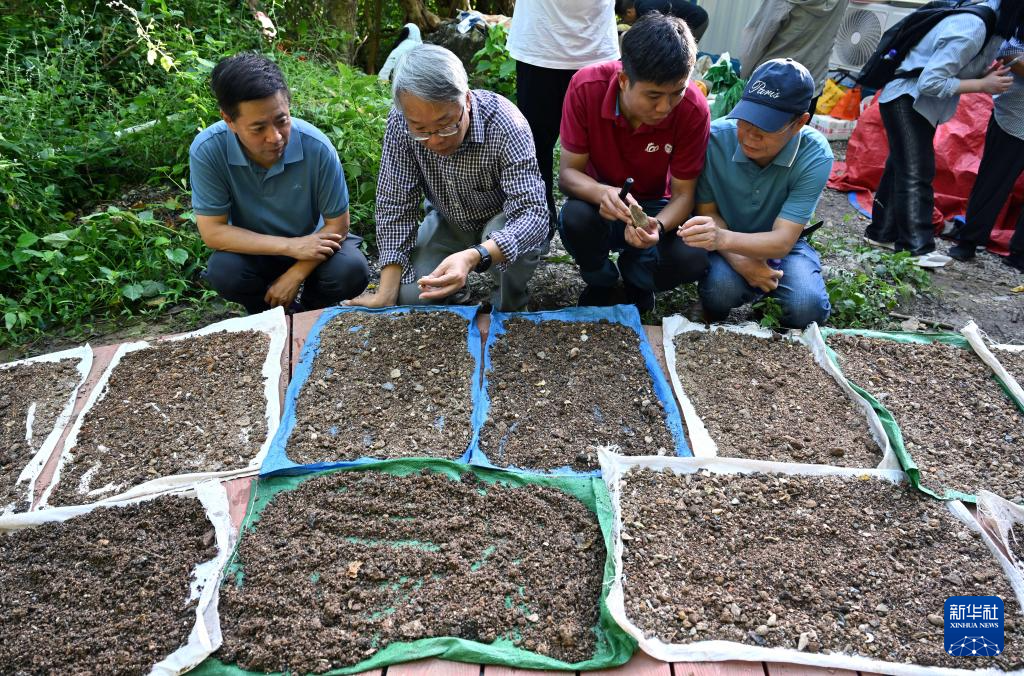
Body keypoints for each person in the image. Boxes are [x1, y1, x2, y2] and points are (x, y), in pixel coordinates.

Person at [345, 44, 549, 312]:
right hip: (447, 220)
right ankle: (455, 292)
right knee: (413, 295)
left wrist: (476, 255)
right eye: (421, 130)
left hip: (501, 221)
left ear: (466, 100)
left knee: (508, 263)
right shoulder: (401, 121)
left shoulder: (505, 123)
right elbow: (395, 202)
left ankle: (512, 306)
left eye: (446, 125)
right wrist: (386, 293)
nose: (434, 140)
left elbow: (533, 214)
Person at [190, 53, 369, 314]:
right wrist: (290, 246)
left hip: (316, 244)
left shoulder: (316, 147)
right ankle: (269, 312)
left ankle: (311, 309)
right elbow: (213, 232)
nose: (275, 137)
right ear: (229, 121)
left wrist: (296, 274)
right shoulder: (208, 150)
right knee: (225, 271)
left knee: (350, 270)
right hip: (255, 250)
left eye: (282, 121)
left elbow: (338, 225)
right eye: (258, 128)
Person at [557, 12, 710, 311]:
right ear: (624, 80)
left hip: (656, 204)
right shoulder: (586, 87)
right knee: (575, 218)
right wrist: (603, 192)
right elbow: (568, 175)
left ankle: (636, 278)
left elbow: (683, 195)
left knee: (692, 256)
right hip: (598, 203)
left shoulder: (693, 108)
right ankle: (601, 280)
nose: (665, 107)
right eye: (653, 96)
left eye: (676, 93)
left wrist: (658, 227)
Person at [864, 0, 1023, 267]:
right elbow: (930, 81)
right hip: (907, 98)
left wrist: (984, 74)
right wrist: (983, 85)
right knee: (917, 172)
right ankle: (917, 248)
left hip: (921, 103)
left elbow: (957, 68)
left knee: (901, 168)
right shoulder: (973, 26)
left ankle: (881, 233)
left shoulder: (995, 28)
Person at [679, 58, 833, 329]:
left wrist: (721, 239)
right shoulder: (714, 139)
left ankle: (769, 300)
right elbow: (708, 214)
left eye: (766, 128)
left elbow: (783, 241)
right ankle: (740, 292)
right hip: (726, 241)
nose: (750, 136)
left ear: (800, 123)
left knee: (806, 307)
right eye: (745, 121)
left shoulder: (815, 155)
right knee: (720, 291)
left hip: (782, 246)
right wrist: (741, 261)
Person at [507, 0, 620, 229]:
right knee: (535, 146)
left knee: (603, 148)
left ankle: (603, 225)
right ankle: (537, 224)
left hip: (596, 48)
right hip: (539, 45)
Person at [951, 33, 1024, 271]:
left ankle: (1020, 254)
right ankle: (969, 241)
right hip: (1014, 119)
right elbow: (1009, 53)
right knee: (992, 184)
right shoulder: (1018, 35)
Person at [739, 0, 851, 116]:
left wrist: (744, 74)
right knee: (796, 127)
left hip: (768, 84)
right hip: (809, 86)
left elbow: (756, 40)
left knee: (754, 127)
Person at [615, 0, 709, 42]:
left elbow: (651, 35)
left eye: (623, 18)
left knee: (683, 53)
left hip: (697, 19)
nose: (625, 21)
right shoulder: (641, 5)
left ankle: (713, 60)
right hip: (691, 19)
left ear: (629, 12)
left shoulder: (645, 9)